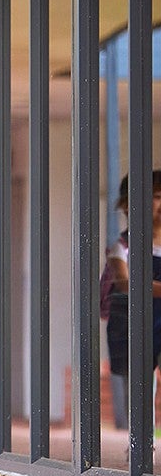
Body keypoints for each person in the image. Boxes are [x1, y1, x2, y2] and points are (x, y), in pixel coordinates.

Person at [100, 171, 161, 430]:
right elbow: (127, 284)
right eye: (157, 197)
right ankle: (141, 438)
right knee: (138, 381)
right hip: (133, 323)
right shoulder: (122, 247)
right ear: (129, 205)